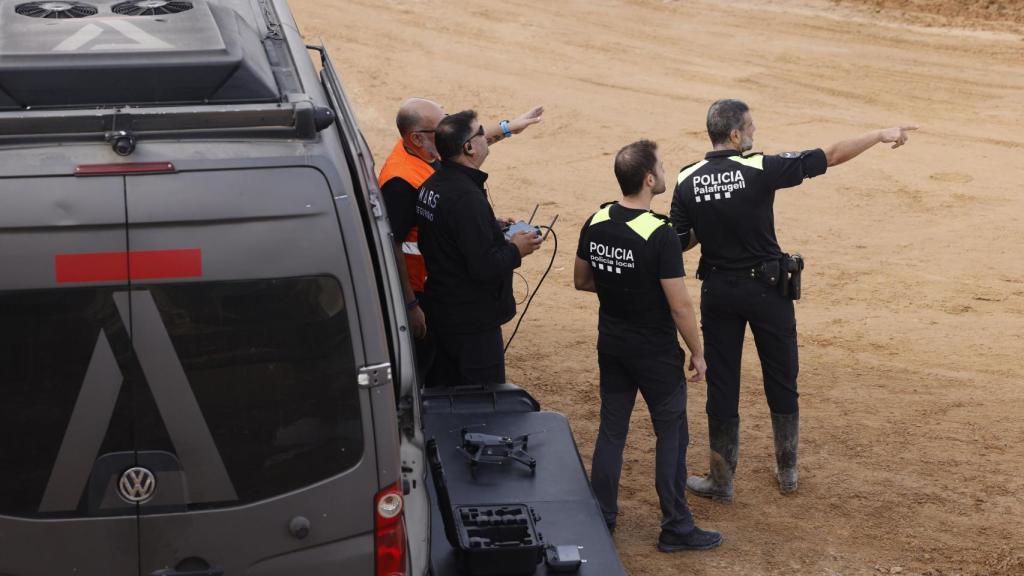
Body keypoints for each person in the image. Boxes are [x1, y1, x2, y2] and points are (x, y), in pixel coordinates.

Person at [672, 99, 917, 502]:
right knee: (782, 376)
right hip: (767, 291)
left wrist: (711, 218)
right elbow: (832, 156)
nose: (755, 131)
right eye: (750, 126)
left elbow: (682, 241)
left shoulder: (687, 179)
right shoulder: (760, 168)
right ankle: (787, 471)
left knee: (723, 383)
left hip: (719, 291)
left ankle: (721, 481)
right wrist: (878, 134)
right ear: (734, 135)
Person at [574, 140, 722, 552]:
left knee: (612, 430)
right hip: (655, 352)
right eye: (661, 165)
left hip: (613, 343)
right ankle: (676, 525)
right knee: (671, 434)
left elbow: (582, 280)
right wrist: (698, 351)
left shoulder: (597, 218)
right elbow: (679, 306)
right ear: (648, 179)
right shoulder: (659, 234)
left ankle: (602, 516)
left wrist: (620, 287)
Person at [378, 98, 543, 351]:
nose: (448, 130)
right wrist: (410, 306)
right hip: (423, 289)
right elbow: (391, 245)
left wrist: (510, 127)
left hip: (441, 283)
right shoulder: (400, 183)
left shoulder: (426, 152)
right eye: (441, 127)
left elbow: (467, 143)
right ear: (417, 139)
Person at [414, 110, 544, 387]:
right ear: (469, 147)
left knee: (445, 393)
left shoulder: (432, 184)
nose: (487, 136)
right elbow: (484, 266)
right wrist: (516, 248)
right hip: (472, 325)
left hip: (443, 311)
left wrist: (489, 226)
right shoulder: (466, 198)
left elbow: (450, 234)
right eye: (481, 132)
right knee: (481, 402)